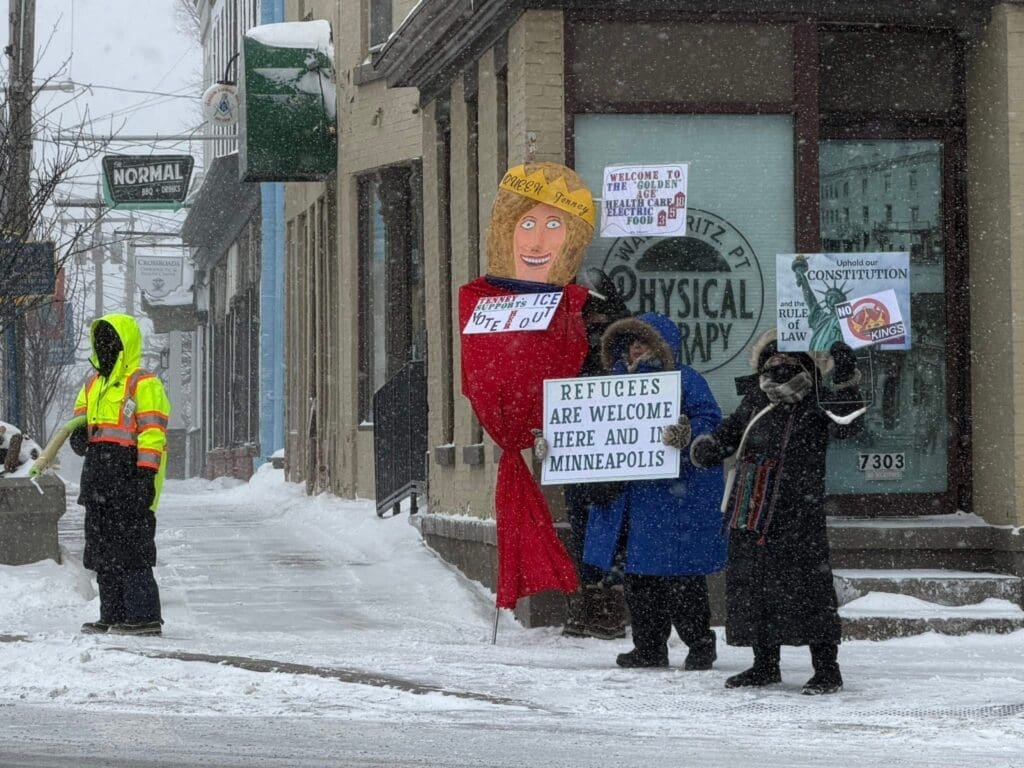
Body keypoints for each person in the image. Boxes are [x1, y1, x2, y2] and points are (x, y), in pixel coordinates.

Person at [689, 329, 863, 695]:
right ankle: (764, 664)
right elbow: (728, 435)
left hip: (799, 512)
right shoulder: (756, 399)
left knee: (810, 590)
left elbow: (849, 424)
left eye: (787, 357)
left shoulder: (817, 400)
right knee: (756, 589)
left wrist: (846, 376)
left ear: (804, 364)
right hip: (752, 510)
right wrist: (707, 448)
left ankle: (826, 669)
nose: (778, 363)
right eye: (772, 357)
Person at [582, 312, 726, 670]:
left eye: (644, 341)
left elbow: (709, 421)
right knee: (639, 580)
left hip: (669, 500)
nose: (636, 348)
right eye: (631, 342)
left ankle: (699, 644)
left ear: (662, 346)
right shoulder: (611, 382)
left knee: (680, 578)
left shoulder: (685, 380)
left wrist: (688, 432)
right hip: (630, 501)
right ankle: (648, 647)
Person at [69, 314, 171, 636]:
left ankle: (143, 617)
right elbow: (79, 425)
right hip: (98, 479)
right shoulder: (92, 386)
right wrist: (78, 436)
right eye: (100, 341)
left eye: (110, 341)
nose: (104, 348)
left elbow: (153, 434)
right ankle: (111, 614)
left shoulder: (143, 384)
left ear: (125, 345)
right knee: (102, 551)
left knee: (132, 549)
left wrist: (146, 476)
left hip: (129, 477)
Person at [560, 269, 631, 640]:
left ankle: (610, 602)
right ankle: (589, 599)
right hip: (578, 448)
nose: (593, 320)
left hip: (617, 447)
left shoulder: (623, 341)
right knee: (582, 524)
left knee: (613, 525)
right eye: (586, 312)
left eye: (596, 310)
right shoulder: (567, 341)